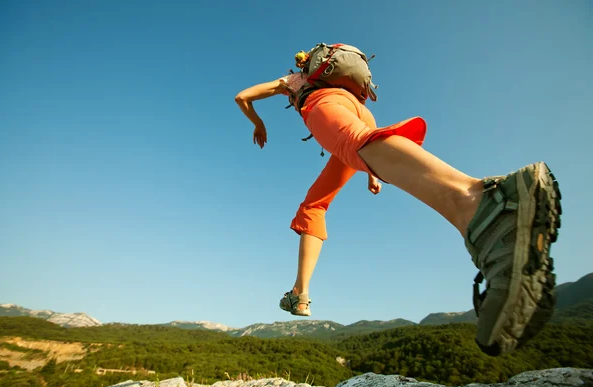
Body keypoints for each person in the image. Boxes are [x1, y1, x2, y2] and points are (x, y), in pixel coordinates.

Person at [234, 49, 561, 357]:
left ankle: (484, 206)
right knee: (314, 204)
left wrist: (259, 123)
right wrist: (371, 174)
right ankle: (299, 295)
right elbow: (357, 136)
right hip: (362, 114)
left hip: (326, 108)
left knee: (352, 144)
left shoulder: (294, 83)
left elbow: (243, 97)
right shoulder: (342, 88)